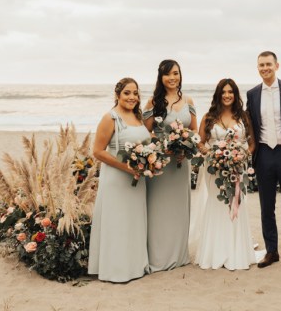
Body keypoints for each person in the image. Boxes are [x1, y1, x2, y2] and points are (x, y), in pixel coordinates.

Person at [191, 78, 261, 270]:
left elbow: (252, 143)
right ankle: (215, 251)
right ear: (218, 95)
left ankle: (236, 250)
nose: (227, 95)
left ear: (235, 94)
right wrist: (212, 155)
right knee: (217, 204)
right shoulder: (209, 117)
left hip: (237, 169)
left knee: (236, 204)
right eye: (224, 92)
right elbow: (200, 141)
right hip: (214, 170)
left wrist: (241, 157)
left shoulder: (244, 117)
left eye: (231, 92)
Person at [88, 77, 150, 283]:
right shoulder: (110, 118)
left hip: (137, 179)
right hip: (117, 178)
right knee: (118, 222)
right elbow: (97, 151)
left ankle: (134, 265)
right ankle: (116, 269)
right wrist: (127, 168)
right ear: (117, 95)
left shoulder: (137, 116)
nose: (132, 97)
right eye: (127, 93)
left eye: (135, 93)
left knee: (133, 221)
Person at [246, 51, 281, 270]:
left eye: (268, 64)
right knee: (266, 206)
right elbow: (249, 123)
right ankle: (271, 251)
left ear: (277, 65)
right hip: (264, 154)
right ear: (257, 67)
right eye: (261, 65)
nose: (265, 68)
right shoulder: (252, 94)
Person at [143, 60, 198, 272]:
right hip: (160, 165)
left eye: (175, 73)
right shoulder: (152, 102)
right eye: (167, 74)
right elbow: (145, 132)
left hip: (180, 163)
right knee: (158, 208)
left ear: (180, 75)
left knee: (178, 208)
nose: (172, 78)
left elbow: (194, 130)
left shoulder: (189, 100)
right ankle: (158, 256)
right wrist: (160, 144)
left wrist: (185, 145)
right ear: (161, 77)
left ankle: (179, 255)